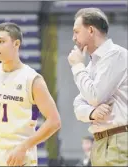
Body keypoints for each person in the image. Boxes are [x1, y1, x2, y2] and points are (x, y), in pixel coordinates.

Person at [0, 22, 61, 166]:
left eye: (1, 41)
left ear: (16, 44)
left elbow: (54, 121)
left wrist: (24, 146)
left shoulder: (32, 79)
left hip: (18, 154)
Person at [68, 8, 128, 166]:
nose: (73, 38)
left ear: (91, 30)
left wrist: (77, 66)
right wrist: (92, 112)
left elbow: (95, 96)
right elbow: (77, 105)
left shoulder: (116, 55)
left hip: (119, 139)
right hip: (101, 142)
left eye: (76, 32)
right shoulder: (93, 64)